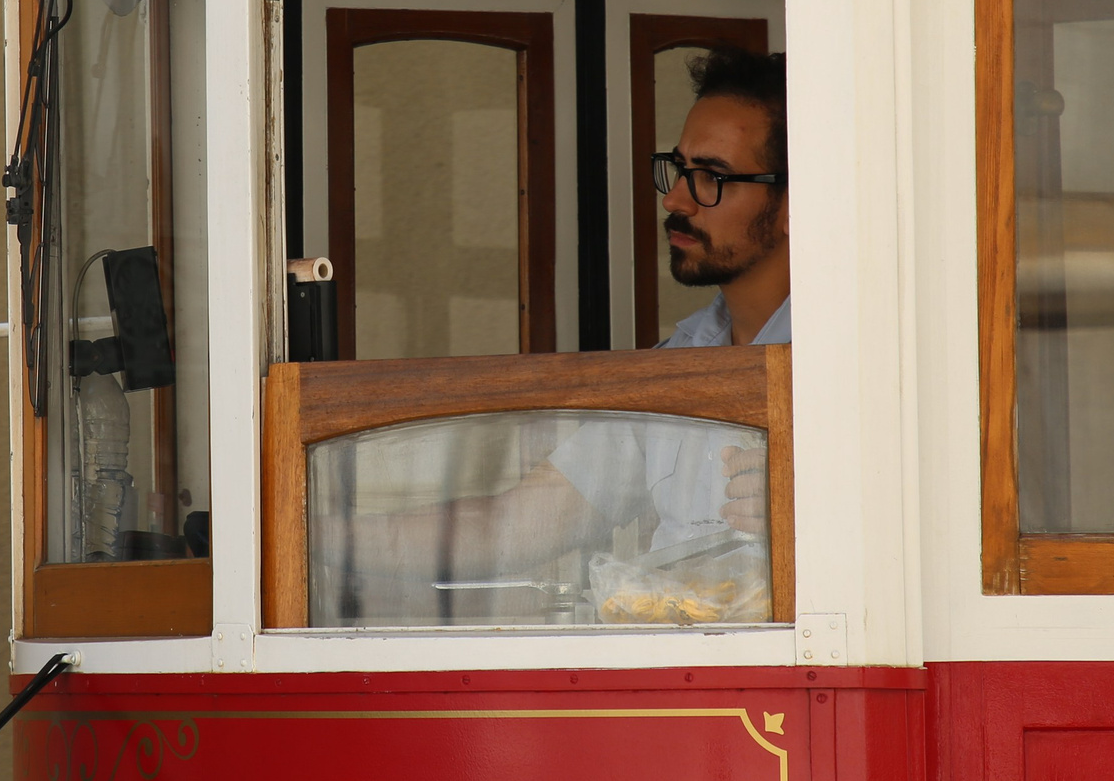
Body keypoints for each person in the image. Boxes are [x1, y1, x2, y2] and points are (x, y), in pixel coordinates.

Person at [323, 48, 790, 590]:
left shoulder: (866, 366)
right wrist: (311, 537)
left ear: (792, 204)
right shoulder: (679, 367)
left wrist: (816, 519)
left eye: (712, 176)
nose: (676, 200)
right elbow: (509, 527)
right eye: (680, 170)